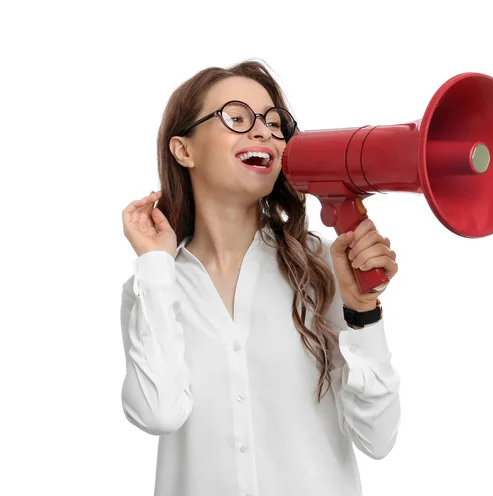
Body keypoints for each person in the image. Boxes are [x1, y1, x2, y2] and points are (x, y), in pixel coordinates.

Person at [120, 59, 401, 496]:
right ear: (184, 150)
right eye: (237, 118)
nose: (264, 132)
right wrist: (155, 268)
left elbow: (378, 437)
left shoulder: (322, 268)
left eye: (275, 123)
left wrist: (362, 312)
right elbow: (158, 413)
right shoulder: (153, 285)